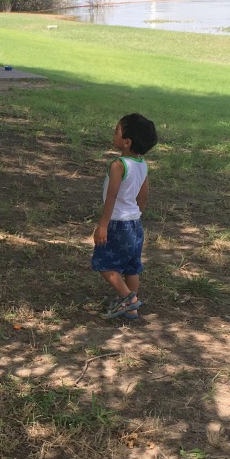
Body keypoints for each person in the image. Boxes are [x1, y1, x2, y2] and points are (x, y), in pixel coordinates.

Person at [91, 113, 158, 319]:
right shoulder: (142, 164)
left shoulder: (118, 165)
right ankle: (132, 310)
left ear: (126, 142)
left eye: (116, 131)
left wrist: (102, 225)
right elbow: (144, 195)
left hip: (117, 224)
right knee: (131, 267)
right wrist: (136, 215)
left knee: (103, 264)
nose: (114, 134)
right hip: (135, 225)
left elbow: (111, 196)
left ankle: (129, 299)